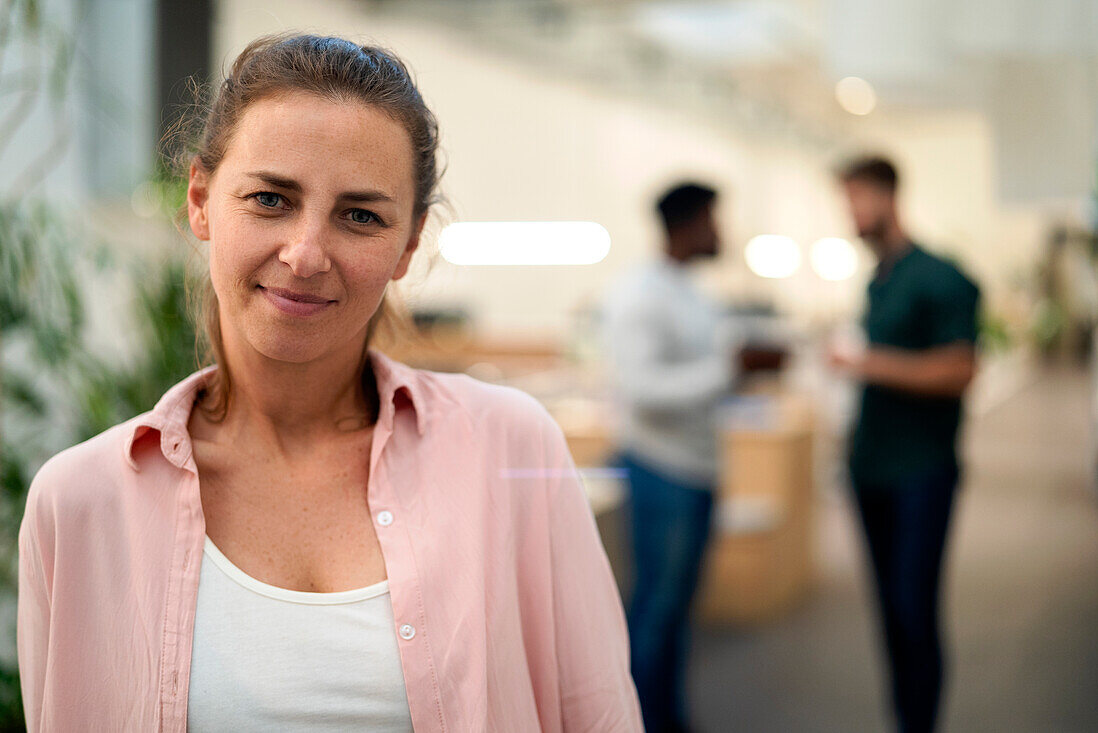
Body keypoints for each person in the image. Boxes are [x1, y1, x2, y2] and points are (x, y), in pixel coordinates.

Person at [17, 34, 643, 732]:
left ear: (407, 247)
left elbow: (600, 715)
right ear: (200, 200)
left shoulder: (508, 447)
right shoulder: (83, 501)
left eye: (360, 215)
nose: (306, 253)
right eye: (270, 198)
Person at [830, 156, 981, 733]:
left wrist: (866, 363)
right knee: (891, 616)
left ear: (886, 196)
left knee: (915, 611)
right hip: (871, 470)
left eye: (855, 200)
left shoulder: (941, 277)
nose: (849, 214)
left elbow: (958, 368)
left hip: (920, 472)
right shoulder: (879, 278)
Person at [601, 182, 742, 733]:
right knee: (656, 614)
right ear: (689, 223)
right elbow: (641, 391)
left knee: (678, 614)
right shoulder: (640, 293)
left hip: (699, 469)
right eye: (713, 219)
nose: (720, 233)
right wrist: (729, 372)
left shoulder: (691, 290)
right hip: (663, 471)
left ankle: (668, 718)